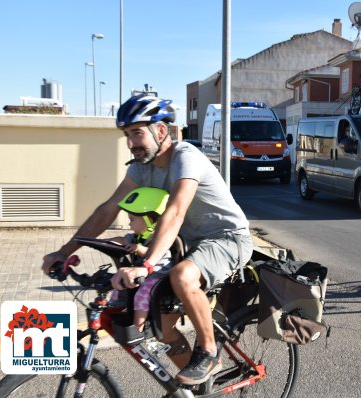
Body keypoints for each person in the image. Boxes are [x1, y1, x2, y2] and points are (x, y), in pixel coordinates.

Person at [41, 94, 253, 385]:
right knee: (163, 324)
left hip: (227, 238)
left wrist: (147, 265)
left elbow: (176, 211)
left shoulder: (185, 157)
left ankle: (209, 352)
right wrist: (64, 252)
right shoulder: (142, 167)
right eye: (127, 135)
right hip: (187, 245)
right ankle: (198, 389)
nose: (131, 143)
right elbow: (107, 209)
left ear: (161, 131)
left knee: (182, 276)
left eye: (137, 133)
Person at [109, 186, 172, 333]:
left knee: (142, 294)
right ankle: (118, 313)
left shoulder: (160, 238)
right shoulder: (138, 237)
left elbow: (152, 252)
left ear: (150, 220)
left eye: (132, 219)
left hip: (159, 276)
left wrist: (138, 248)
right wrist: (103, 242)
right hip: (143, 274)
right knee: (117, 285)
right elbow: (122, 240)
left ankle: (138, 328)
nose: (129, 224)